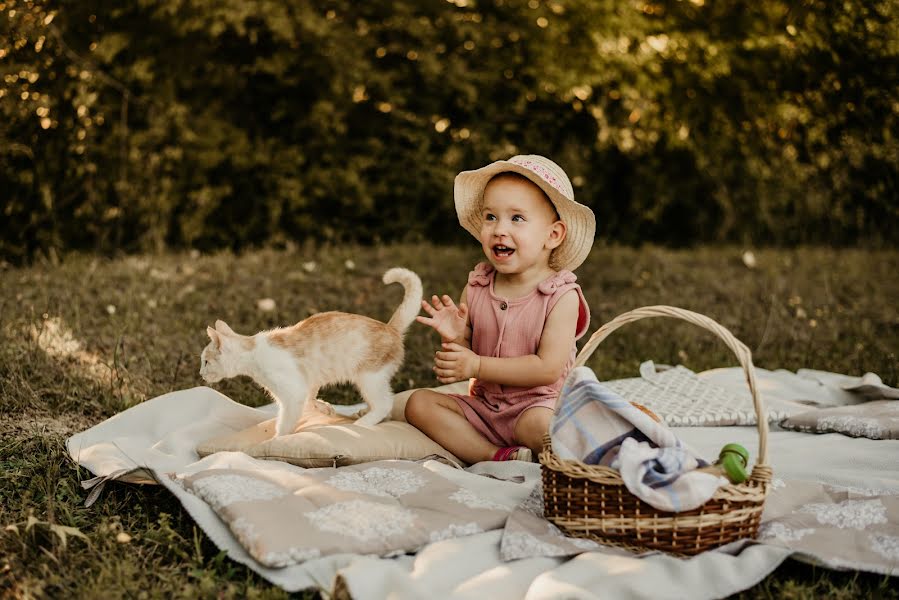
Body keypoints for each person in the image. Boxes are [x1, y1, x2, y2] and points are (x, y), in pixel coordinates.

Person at [405, 155, 596, 463]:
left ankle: (558, 455)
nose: (498, 230)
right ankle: (497, 456)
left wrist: (477, 366)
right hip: (484, 407)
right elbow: (465, 356)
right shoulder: (477, 286)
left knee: (544, 428)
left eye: (516, 218)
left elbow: (547, 369)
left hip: (538, 406)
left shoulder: (561, 296)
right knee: (418, 404)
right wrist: (455, 338)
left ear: (553, 235)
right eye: (490, 217)